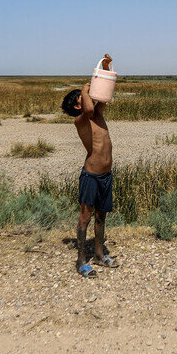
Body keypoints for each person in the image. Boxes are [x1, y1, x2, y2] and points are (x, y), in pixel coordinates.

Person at [61, 54, 118, 277]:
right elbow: (88, 109)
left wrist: (103, 70)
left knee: (101, 216)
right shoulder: (82, 119)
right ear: (77, 105)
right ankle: (81, 261)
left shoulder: (98, 114)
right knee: (85, 217)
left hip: (105, 175)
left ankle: (99, 254)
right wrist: (84, 89)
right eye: (82, 98)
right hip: (91, 176)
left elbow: (104, 98)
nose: (88, 99)